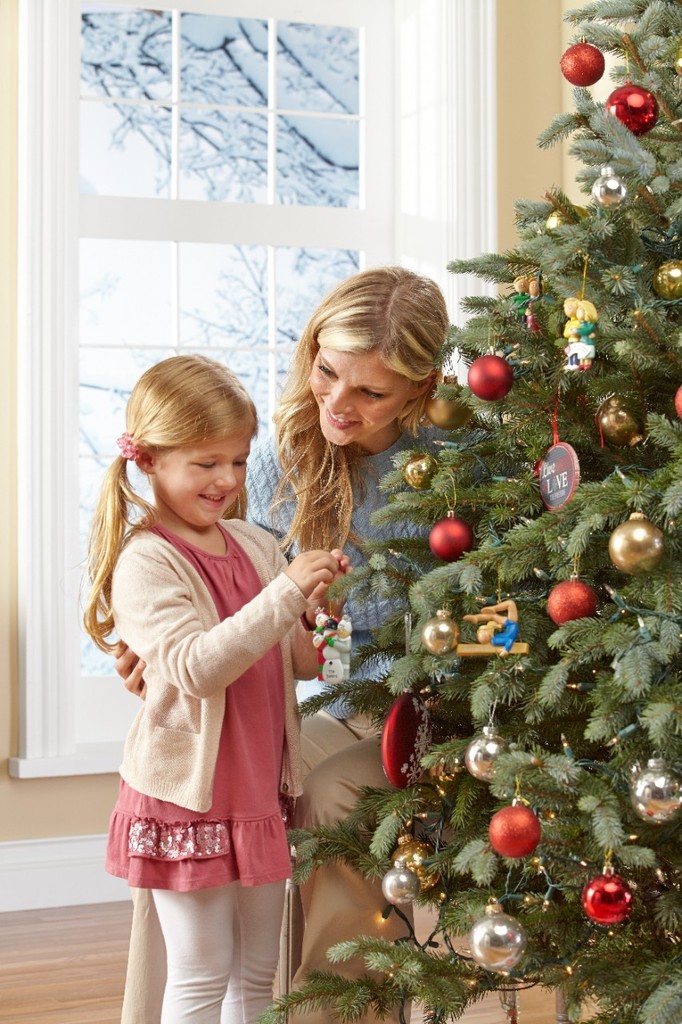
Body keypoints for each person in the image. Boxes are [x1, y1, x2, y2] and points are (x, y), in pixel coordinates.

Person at [117, 265, 451, 1024]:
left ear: (419, 385)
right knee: (183, 798)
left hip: (432, 711)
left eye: (370, 392)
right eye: (327, 371)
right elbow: (215, 598)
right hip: (329, 705)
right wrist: (158, 651)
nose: (337, 402)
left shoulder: (458, 467)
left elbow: (504, 618)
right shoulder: (275, 462)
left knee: (331, 801)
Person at [83, 354, 346, 1024]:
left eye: (237, 459)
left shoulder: (255, 545)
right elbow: (196, 667)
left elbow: (301, 665)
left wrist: (317, 615)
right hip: (187, 804)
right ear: (150, 460)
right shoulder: (146, 561)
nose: (228, 479)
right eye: (206, 463)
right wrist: (284, 593)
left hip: (256, 792)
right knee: (200, 976)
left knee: (258, 977)